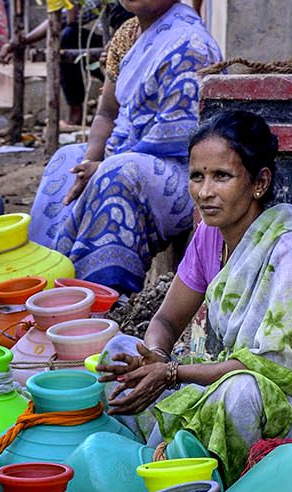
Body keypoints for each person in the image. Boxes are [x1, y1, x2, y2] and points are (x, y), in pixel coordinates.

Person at [98, 110, 292, 484]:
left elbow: (270, 367)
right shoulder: (210, 235)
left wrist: (170, 373)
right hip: (227, 379)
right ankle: (150, 477)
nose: (205, 192)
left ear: (259, 182)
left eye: (222, 177)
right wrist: (153, 358)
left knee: (238, 393)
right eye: (197, 176)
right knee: (118, 352)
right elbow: (166, 321)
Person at [27, 0, 221, 293]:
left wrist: (105, 164)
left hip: (183, 171)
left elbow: (177, 140)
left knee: (118, 171)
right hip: (130, 154)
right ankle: (41, 277)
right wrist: (88, 164)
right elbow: (107, 113)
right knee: (66, 158)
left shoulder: (189, 45)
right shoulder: (130, 35)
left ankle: (95, 299)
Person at [0, 0, 131, 128]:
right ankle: (76, 112)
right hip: (114, 50)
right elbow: (67, 19)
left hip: (133, 51)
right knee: (69, 37)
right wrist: (22, 41)